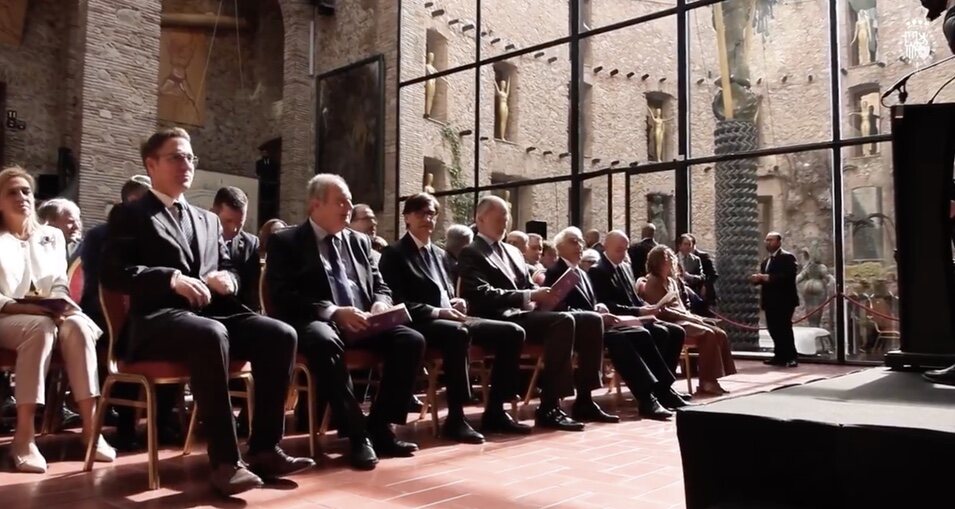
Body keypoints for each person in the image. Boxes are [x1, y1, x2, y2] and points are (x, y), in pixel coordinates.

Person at [102, 128, 313, 495]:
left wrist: (228, 278)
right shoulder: (130, 214)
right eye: (176, 157)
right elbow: (113, 273)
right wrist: (170, 279)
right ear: (151, 164)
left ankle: (264, 447)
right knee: (210, 334)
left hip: (206, 315)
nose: (187, 164)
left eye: (190, 158)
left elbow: (227, 264)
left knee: (280, 333)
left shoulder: (207, 219)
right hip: (155, 322)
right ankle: (225, 462)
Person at [266, 174, 426, 470]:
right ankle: (357, 435)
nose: (349, 207)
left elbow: (381, 285)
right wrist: (333, 311)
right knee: (324, 341)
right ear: (315, 205)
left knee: (411, 339)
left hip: (364, 320)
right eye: (341, 201)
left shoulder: (360, 241)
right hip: (318, 321)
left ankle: (380, 426)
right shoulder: (285, 241)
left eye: (350, 200)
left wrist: (381, 303)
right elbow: (282, 296)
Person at [379, 193, 529, 439]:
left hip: (451, 316)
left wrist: (458, 301)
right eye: (420, 213)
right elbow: (397, 301)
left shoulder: (440, 254)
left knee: (512, 332)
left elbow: (447, 290)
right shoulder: (395, 254)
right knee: (457, 333)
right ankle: (456, 417)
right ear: (406, 217)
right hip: (422, 321)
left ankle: (495, 410)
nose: (427, 218)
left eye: (432, 214)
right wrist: (438, 310)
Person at [458, 195, 611, 431]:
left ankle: (585, 398)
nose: (504, 222)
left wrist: (543, 293)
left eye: (507, 217)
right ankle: (549, 407)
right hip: (496, 316)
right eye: (499, 217)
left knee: (591, 319)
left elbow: (526, 285)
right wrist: (529, 297)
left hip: (524, 313)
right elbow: (481, 294)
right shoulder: (472, 252)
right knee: (562, 321)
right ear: (480, 218)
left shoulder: (512, 251)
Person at [0, 166, 115, 473]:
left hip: (48, 314)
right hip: (6, 315)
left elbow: (60, 282)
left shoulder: (51, 235)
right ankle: (23, 436)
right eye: (12, 191)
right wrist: (27, 308)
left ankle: (91, 429)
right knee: (39, 328)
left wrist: (60, 303)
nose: (22, 197)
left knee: (77, 325)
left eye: (26, 190)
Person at [546, 227, 684, 419]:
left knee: (650, 333)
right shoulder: (555, 272)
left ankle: (659, 389)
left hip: (597, 324)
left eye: (580, 241)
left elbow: (593, 301)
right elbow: (557, 307)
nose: (579, 245)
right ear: (559, 246)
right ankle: (647, 397)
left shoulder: (581, 272)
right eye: (572, 241)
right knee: (626, 339)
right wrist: (595, 314)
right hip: (578, 328)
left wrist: (599, 308)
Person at [79, 175, 158, 450]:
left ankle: (164, 418)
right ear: (129, 202)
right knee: (128, 333)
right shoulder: (100, 235)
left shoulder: (154, 234)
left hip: (144, 309)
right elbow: (94, 285)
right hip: (101, 311)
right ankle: (126, 423)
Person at [641, 246, 737, 395]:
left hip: (682, 317)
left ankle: (715, 378)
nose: (672, 261)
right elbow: (660, 310)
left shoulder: (672, 281)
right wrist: (688, 317)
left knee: (719, 332)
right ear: (658, 261)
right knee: (707, 334)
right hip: (670, 322)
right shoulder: (652, 281)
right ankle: (707, 381)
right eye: (667, 258)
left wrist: (695, 317)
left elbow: (681, 306)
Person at [589, 230, 686, 374]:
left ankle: (666, 383)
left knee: (677, 332)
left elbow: (633, 297)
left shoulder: (626, 267)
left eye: (626, 249)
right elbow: (607, 305)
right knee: (661, 333)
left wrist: (648, 306)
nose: (623, 254)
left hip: (638, 316)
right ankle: (655, 382)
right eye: (618, 250)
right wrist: (638, 311)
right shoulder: (598, 270)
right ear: (606, 247)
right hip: (621, 320)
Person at [750, 232, 800, 368]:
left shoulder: (788, 257)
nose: (767, 243)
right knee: (773, 329)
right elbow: (765, 280)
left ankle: (791, 357)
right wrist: (757, 280)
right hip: (770, 301)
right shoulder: (766, 261)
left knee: (784, 328)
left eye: (770, 240)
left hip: (784, 301)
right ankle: (779, 355)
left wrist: (768, 278)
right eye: (766, 240)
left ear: (779, 242)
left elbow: (788, 276)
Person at [212, 187, 260, 312]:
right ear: (213, 213)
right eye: (228, 221)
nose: (234, 229)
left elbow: (252, 290)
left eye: (240, 224)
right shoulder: (199, 237)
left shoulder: (251, 243)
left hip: (238, 311)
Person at [36, 197, 83, 265]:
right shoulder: (36, 248)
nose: (77, 226)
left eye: (78, 221)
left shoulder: (85, 249)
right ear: (50, 223)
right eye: (70, 221)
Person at [687, 233, 718, 307]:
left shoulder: (703, 257)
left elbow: (713, 275)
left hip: (703, 292)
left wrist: (705, 286)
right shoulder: (681, 258)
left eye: (689, 244)